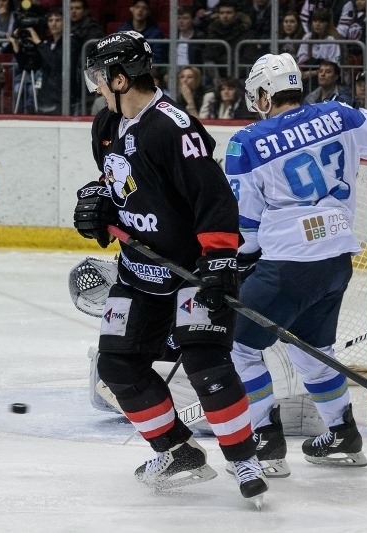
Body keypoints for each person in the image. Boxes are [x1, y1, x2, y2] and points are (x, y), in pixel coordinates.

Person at [74, 30, 268, 505]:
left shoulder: (174, 128)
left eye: (101, 76)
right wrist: (99, 208)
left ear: (121, 79)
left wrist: (219, 262)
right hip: (138, 270)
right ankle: (178, 452)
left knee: (206, 362)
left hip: (192, 271)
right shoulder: (106, 124)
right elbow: (122, 186)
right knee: (117, 366)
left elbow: (214, 198)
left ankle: (244, 459)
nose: (97, 85)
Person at [224, 53, 367, 477]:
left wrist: (240, 264)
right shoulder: (339, 114)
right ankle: (342, 434)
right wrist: (346, 115)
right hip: (336, 261)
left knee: (238, 347)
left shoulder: (247, 141)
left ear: (265, 95)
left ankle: (265, 442)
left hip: (287, 264)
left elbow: (245, 222)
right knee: (311, 349)